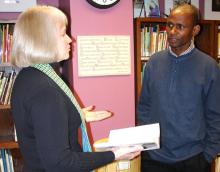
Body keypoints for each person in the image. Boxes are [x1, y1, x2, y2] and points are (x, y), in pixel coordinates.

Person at [10, 5, 143, 172]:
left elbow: (39, 122)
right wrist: (114, 155)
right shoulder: (45, 89)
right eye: (62, 34)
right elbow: (60, 163)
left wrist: (75, 114)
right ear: (44, 39)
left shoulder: (28, 77)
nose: (69, 39)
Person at [137, 3, 220, 172]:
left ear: (195, 30)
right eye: (170, 25)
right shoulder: (154, 62)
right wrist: (145, 144)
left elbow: (215, 116)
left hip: (193, 159)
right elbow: (144, 106)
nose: (172, 32)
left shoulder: (209, 67)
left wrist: (208, 155)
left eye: (180, 27)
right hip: (154, 158)